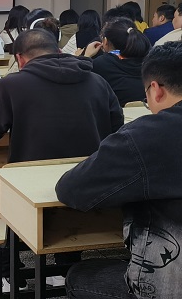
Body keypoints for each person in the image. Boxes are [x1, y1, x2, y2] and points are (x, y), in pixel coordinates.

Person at [0, 28, 124, 293]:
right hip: (86, 185)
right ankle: (66, 269)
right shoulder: (97, 81)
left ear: (20, 58)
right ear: (59, 51)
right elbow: (115, 127)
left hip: (30, 189)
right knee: (69, 199)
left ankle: (10, 275)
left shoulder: (11, 85)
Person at [57, 41, 182, 299]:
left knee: (80, 276)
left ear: (156, 90)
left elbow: (72, 190)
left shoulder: (145, 136)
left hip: (170, 284)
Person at [83, 17, 151, 106]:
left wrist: (86, 56)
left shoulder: (100, 64)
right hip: (149, 112)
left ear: (105, 41)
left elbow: (81, 84)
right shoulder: (150, 62)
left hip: (113, 114)